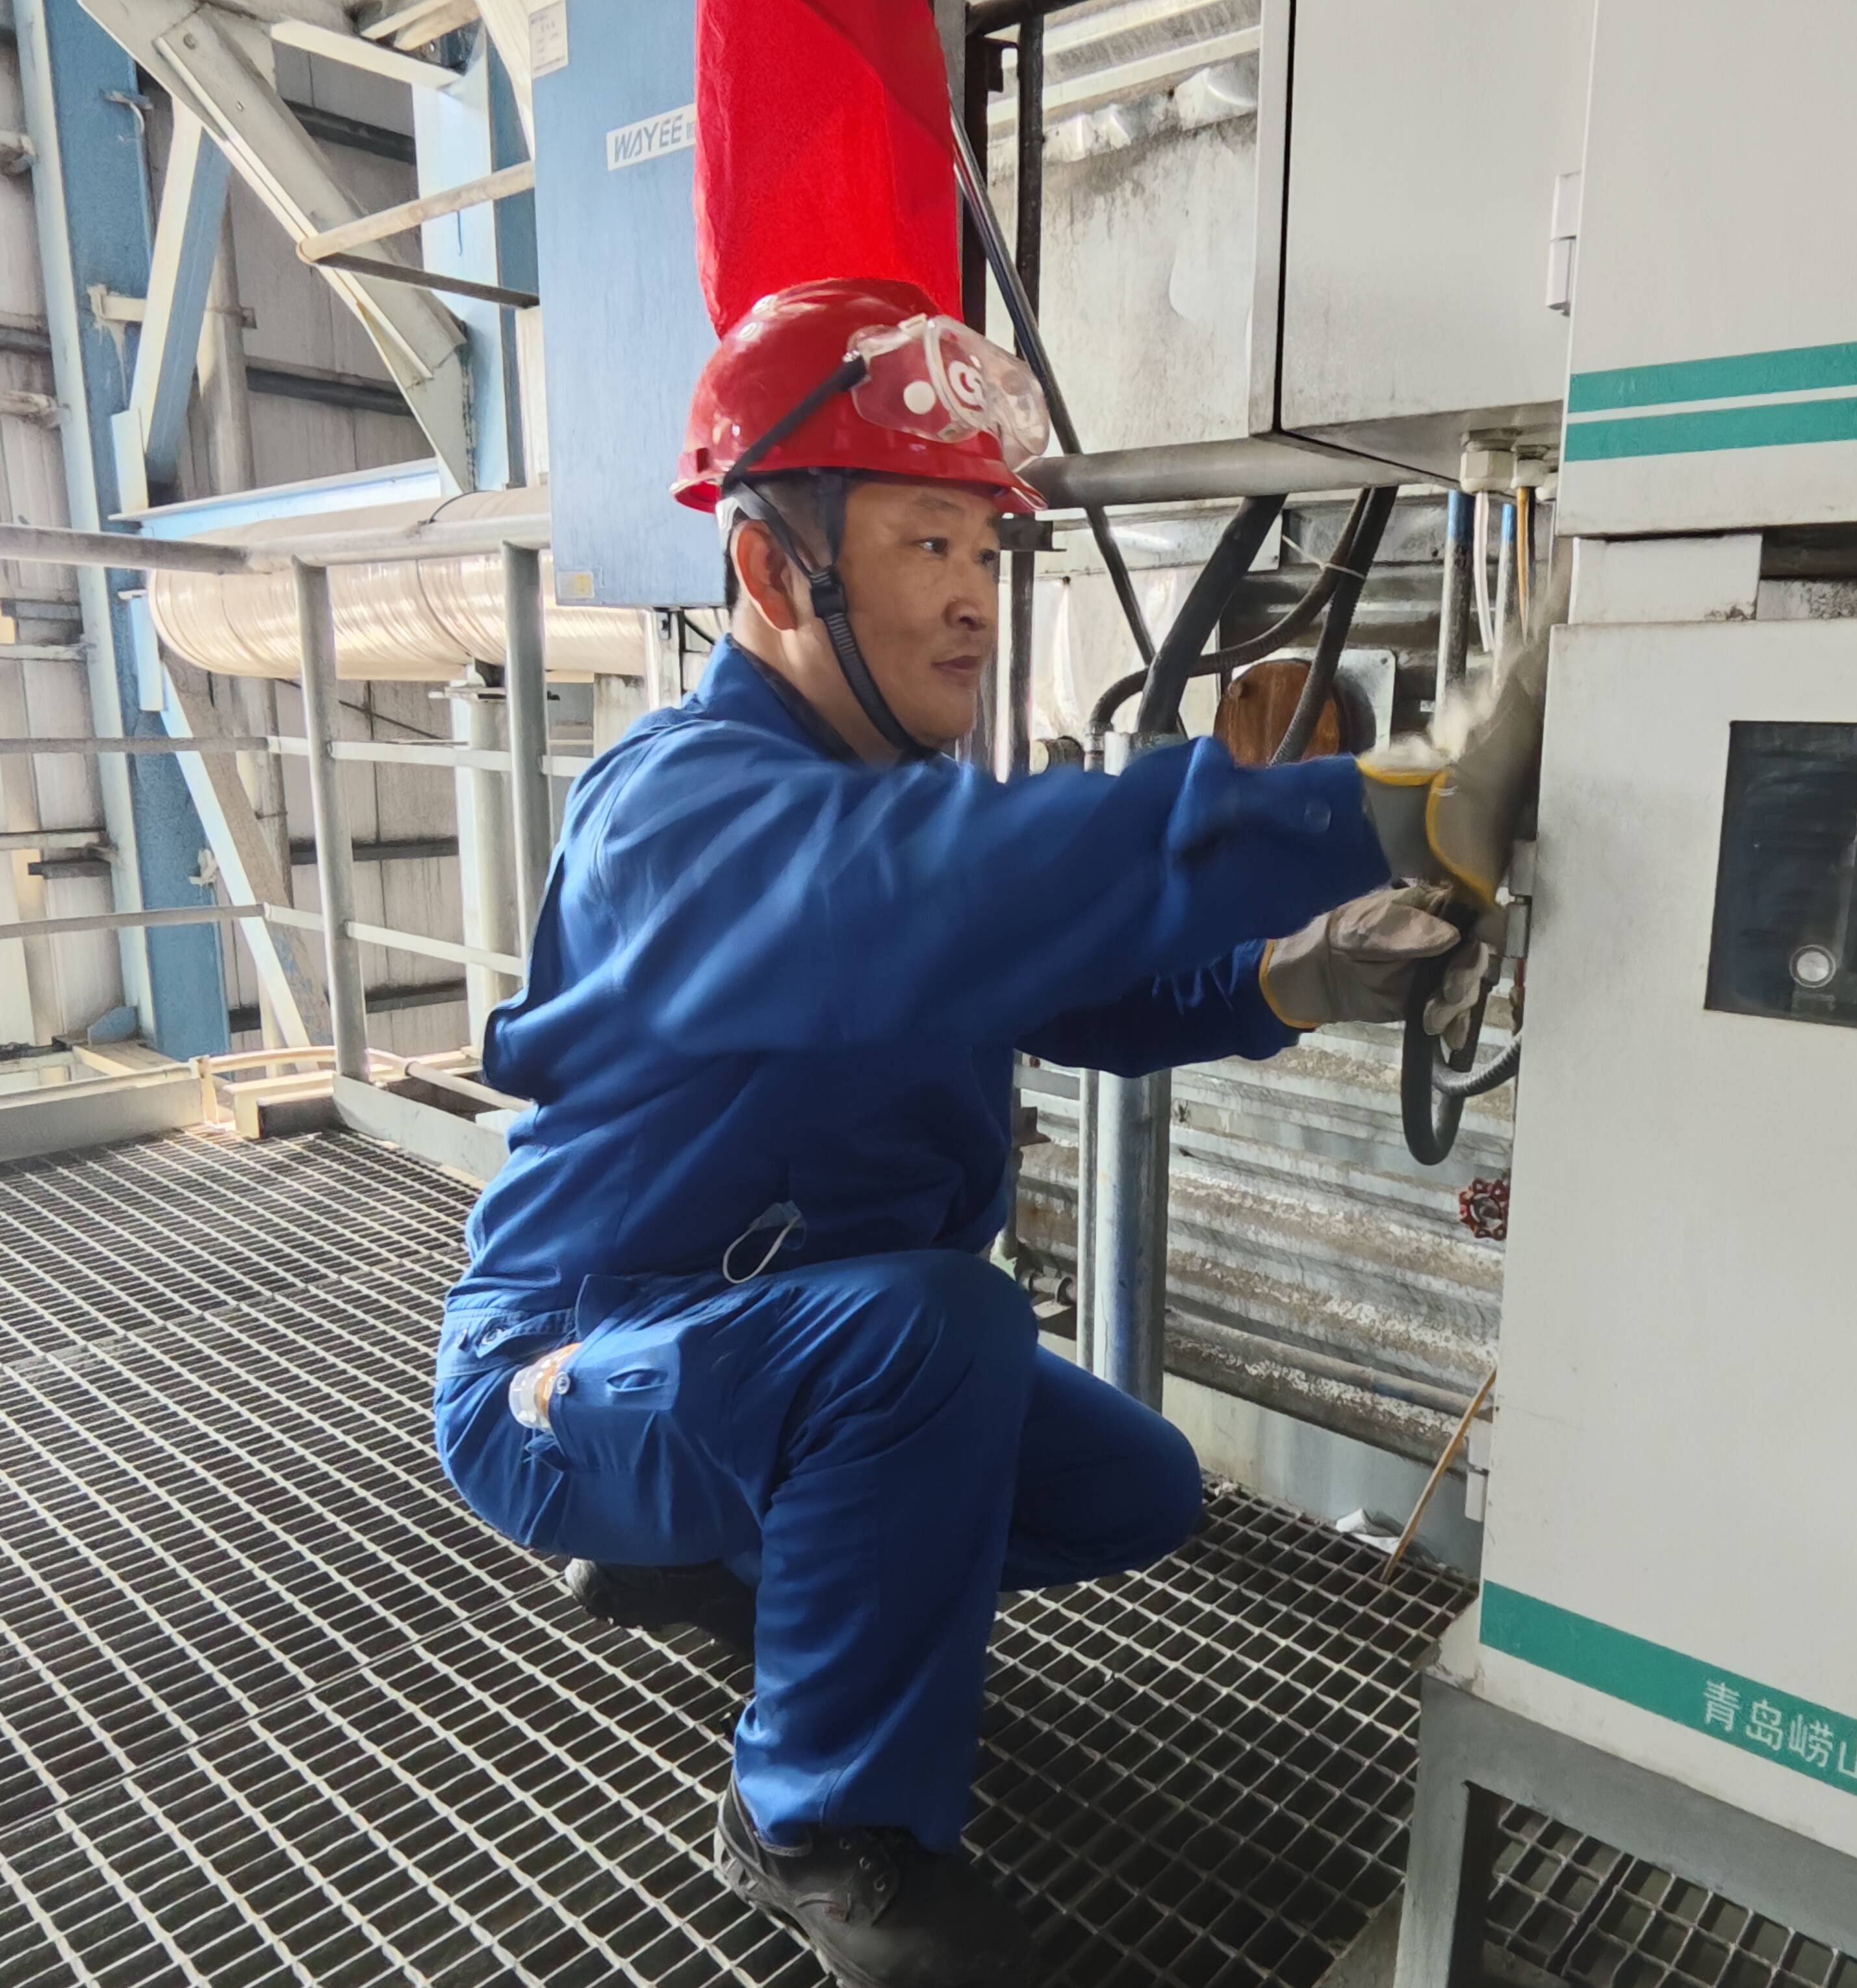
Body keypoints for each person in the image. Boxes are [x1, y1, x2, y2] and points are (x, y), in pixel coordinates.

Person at [432, 277, 1535, 1988]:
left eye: (981, 547)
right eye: (922, 545)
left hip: (781, 1352)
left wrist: (1302, 974)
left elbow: (1062, 984)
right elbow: (929, 902)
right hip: (572, 1370)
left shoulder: (904, 814)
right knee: (938, 1327)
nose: (969, 596)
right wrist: (1371, 810)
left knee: (1134, 1483)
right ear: (772, 572)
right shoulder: (677, 808)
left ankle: (741, 1569)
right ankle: (813, 1825)